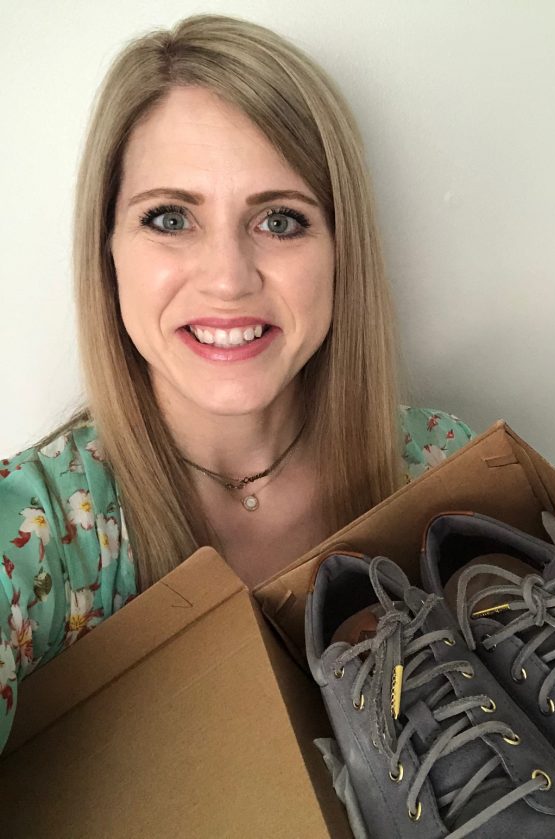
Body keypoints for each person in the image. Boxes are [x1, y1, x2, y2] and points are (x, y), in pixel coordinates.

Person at [0, 13, 474, 755]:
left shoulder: (449, 466)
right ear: (108, 252)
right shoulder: (43, 529)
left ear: (341, 249)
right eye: (169, 218)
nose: (228, 279)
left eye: (280, 221)